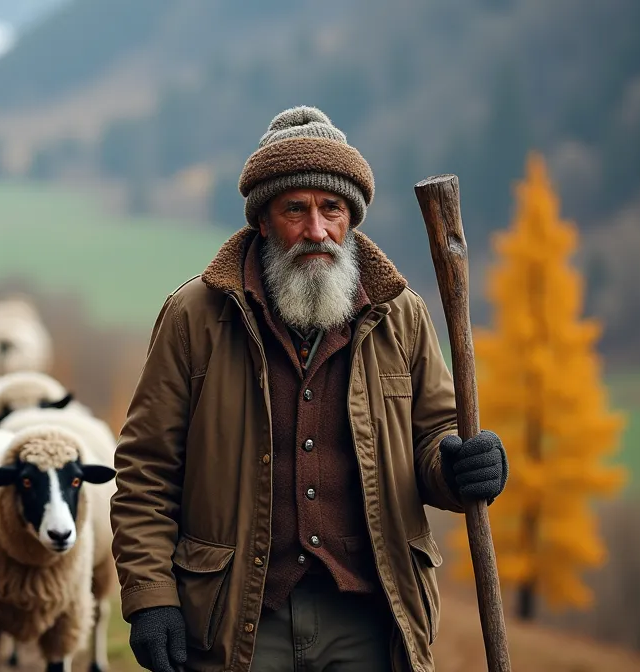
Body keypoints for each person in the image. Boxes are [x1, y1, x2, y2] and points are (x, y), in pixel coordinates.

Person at [109, 106, 509, 672]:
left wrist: (461, 464)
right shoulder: (196, 316)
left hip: (371, 617)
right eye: (295, 209)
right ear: (264, 220)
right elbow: (146, 470)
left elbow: (433, 440)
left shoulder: (400, 314)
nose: (316, 230)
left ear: (352, 219)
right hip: (237, 618)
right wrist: (151, 598)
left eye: (332, 209)